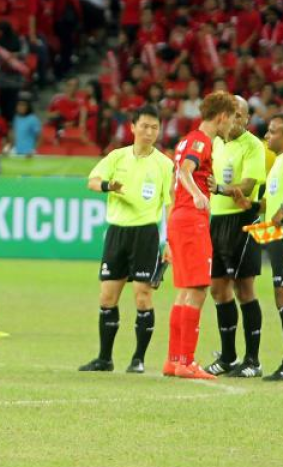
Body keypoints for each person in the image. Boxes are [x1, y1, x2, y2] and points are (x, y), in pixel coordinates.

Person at [77, 106, 174, 373]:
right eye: (144, 126)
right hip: (117, 233)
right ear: (132, 127)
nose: (149, 132)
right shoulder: (116, 157)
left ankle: (138, 360)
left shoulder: (165, 164)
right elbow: (92, 181)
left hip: (146, 234)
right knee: (107, 296)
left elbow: (170, 205)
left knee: (142, 297)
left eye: (154, 127)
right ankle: (104, 359)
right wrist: (109, 186)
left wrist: (169, 241)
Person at [164, 91, 237, 380]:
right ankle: (187, 362)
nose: (231, 124)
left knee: (184, 290)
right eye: (231, 118)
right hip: (191, 220)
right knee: (197, 289)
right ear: (222, 117)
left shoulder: (187, 139)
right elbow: (185, 171)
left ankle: (173, 360)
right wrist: (197, 194)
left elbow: (177, 177)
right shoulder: (201, 141)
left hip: (179, 218)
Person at [204, 96, 266, 378]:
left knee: (245, 290)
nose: (235, 119)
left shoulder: (253, 145)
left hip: (243, 221)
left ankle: (253, 361)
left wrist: (219, 188)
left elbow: (248, 186)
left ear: (247, 119)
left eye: (240, 115)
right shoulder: (216, 142)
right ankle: (228, 357)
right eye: (231, 114)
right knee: (218, 289)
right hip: (217, 220)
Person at [260, 114, 283, 381]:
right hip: (276, 237)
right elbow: (268, 202)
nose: (267, 136)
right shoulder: (277, 163)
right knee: (279, 294)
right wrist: (252, 205)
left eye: (273, 131)